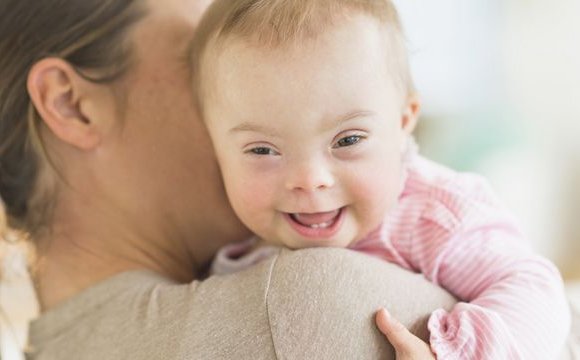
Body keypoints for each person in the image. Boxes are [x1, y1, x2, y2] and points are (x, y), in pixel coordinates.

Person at [0, 0, 458, 359]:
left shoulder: (53, 346)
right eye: (198, 59)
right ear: (70, 104)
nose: (263, 95)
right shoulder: (300, 304)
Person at [191, 0, 571, 358]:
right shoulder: (228, 234)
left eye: (348, 140)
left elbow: (532, 287)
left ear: (403, 122)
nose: (310, 180)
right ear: (212, 143)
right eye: (262, 150)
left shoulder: (432, 216)